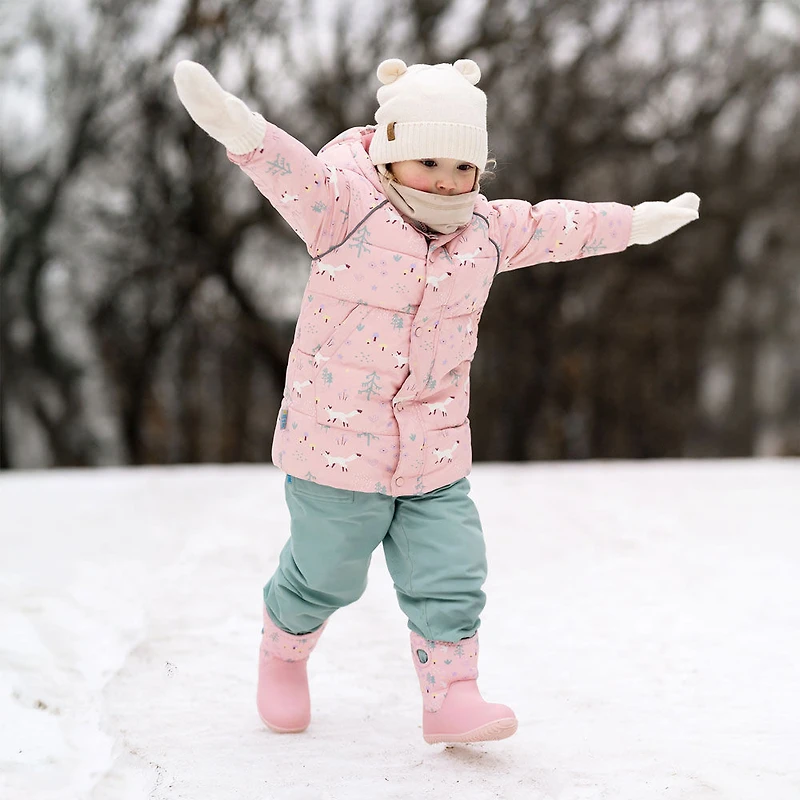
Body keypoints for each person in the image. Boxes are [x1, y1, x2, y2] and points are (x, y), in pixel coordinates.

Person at [173, 57, 699, 745]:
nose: (448, 181)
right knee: (327, 573)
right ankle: (283, 651)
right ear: (390, 151)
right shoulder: (341, 208)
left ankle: (452, 698)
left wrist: (634, 223)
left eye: (464, 167)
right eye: (429, 161)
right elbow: (284, 166)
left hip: (434, 448)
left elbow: (558, 225)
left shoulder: (483, 229)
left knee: (452, 571)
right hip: (335, 449)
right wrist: (232, 124)